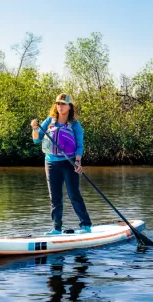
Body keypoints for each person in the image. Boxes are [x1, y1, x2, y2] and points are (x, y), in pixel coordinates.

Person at [30, 93, 92, 235]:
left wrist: (77, 162)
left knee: (73, 194)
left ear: (70, 107)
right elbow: (36, 140)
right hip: (51, 163)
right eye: (58, 103)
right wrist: (34, 128)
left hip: (69, 163)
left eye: (63, 104)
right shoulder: (49, 121)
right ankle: (57, 228)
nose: (60, 106)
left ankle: (85, 225)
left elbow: (80, 146)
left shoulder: (75, 125)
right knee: (55, 197)